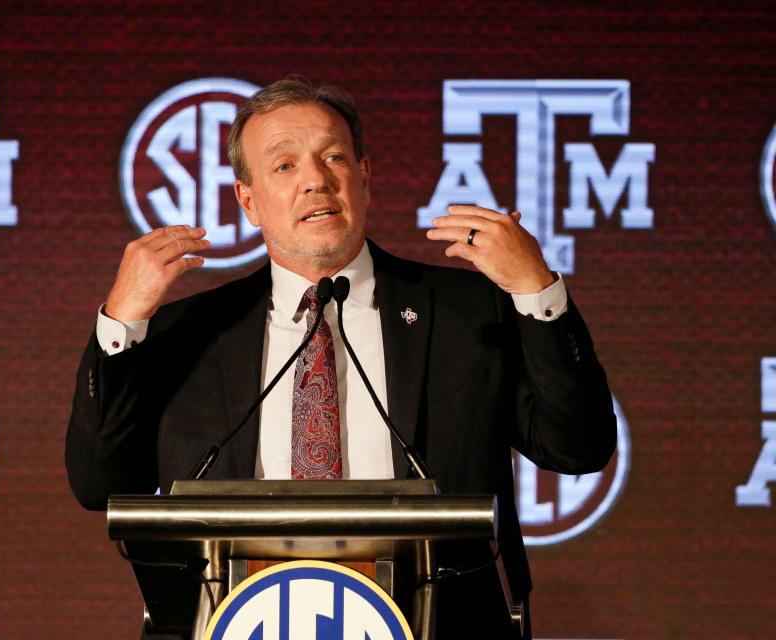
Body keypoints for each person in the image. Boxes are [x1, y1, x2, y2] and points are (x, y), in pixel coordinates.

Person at [66, 78, 616, 637]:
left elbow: (579, 446)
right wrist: (122, 320)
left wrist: (536, 293)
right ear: (248, 201)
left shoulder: (469, 310)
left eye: (333, 157)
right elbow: (99, 482)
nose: (315, 180)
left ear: (365, 177)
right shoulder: (189, 332)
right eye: (284, 166)